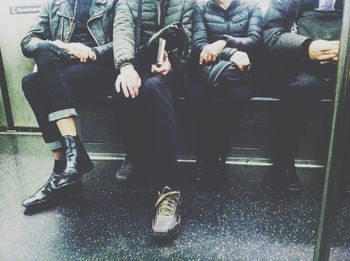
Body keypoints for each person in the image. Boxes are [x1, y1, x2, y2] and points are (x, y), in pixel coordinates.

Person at [21, 0, 116, 208]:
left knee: (38, 80)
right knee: (31, 80)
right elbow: (27, 42)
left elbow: (125, 41)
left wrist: (94, 52)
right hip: (63, 71)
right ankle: (67, 162)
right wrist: (65, 46)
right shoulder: (54, 5)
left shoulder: (111, 2)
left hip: (99, 69)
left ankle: (63, 167)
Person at [113, 0, 195, 238]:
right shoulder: (128, 2)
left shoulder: (186, 2)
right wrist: (126, 66)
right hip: (138, 64)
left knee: (154, 87)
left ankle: (169, 190)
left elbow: (189, 41)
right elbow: (123, 32)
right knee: (121, 88)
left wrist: (174, 63)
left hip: (173, 72)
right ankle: (136, 156)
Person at [263, 0, 343, 191]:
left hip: (344, 63)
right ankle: (283, 162)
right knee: (303, 88)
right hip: (301, 63)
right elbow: (270, 34)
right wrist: (306, 47)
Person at [190, 0, 262, 180]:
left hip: (239, 72)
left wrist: (224, 42)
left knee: (237, 95)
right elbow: (199, 44)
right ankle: (207, 152)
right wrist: (230, 53)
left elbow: (255, 39)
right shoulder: (201, 7)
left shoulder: (251, 6)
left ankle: (218, 148)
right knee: (197, 94)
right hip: (210, 70)